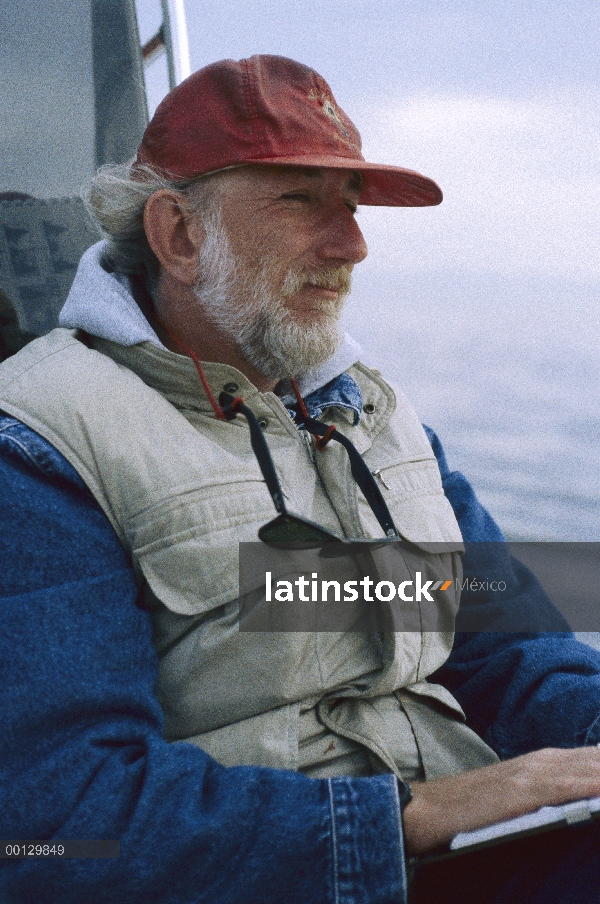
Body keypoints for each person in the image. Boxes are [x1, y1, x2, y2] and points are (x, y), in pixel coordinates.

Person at [1, 54, 599, 904]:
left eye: (350, 206)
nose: (353, 244)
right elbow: (61, 825)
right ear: (179, 234)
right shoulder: (42, 447)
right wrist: (411, 816)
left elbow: (515, 652)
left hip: (479, 854)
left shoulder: (378, 421)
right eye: (299, 200)